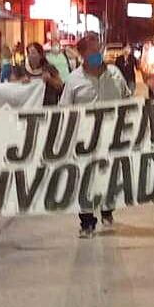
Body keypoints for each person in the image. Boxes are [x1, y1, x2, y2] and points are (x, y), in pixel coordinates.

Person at [60, 31, 133, 238]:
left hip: (111, 137)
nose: (97, 54)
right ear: (82, 54)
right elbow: (64, 109)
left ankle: (107, 209)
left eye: (98, 50)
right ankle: (87, 222)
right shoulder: (73, 80)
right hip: (84, 140)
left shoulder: (115, 74)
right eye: (91, 51)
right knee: (85, 180)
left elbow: (127, 99)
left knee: (108, 176)